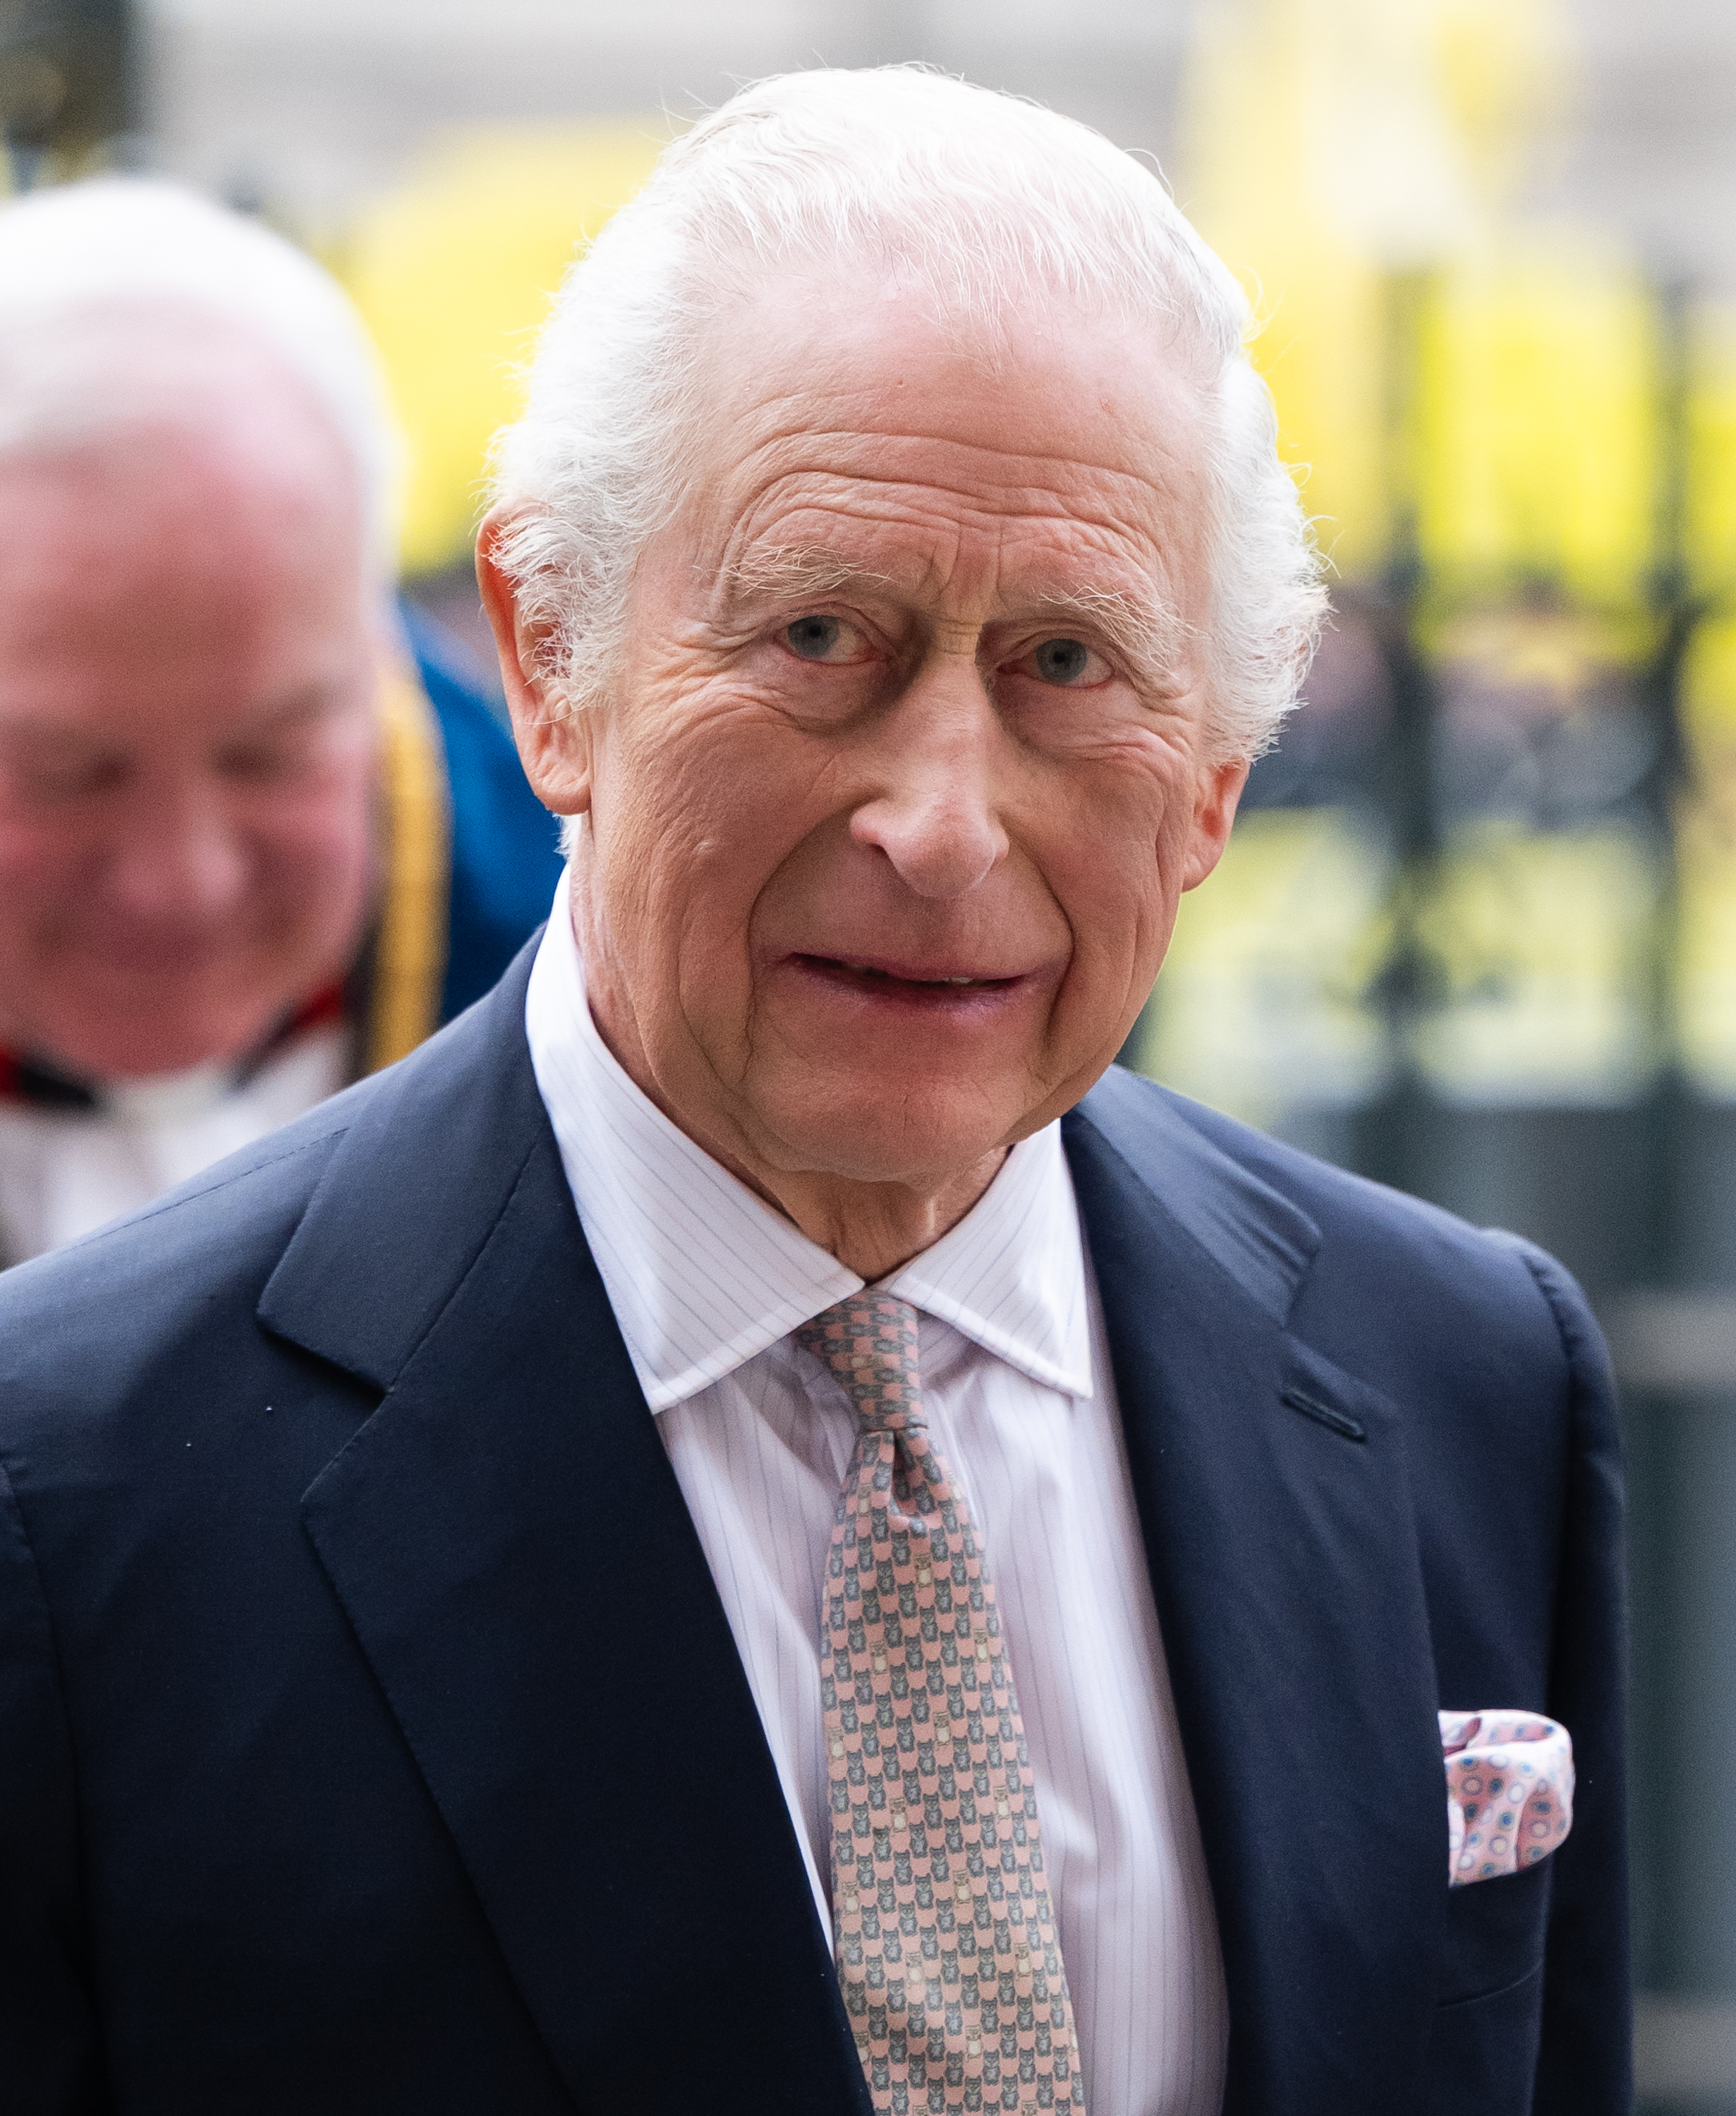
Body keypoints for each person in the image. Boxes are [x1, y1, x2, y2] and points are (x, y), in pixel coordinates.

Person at [0, 70, 1627, 2116]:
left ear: (1213, 771)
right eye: (819, 635)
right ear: (550, 659)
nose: (941, 826)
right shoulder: (66, 1489)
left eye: (1065, 664)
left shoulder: (1461, 1373)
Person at [0, 178, 562, 1266]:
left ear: (379, 656)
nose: (179, 883)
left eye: (271, 756)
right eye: (68, 771)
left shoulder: (607, 1007)